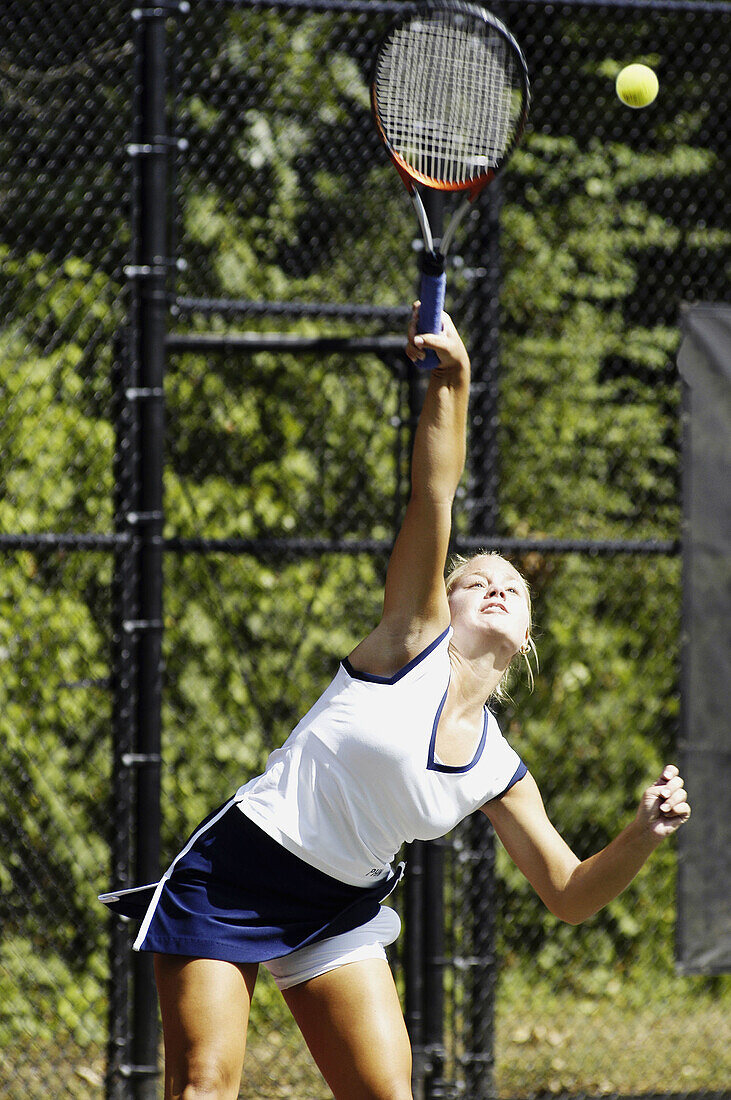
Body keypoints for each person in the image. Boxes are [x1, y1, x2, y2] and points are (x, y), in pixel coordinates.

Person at [101, 306, 691, 1100]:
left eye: (509, 585)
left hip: (338, 908)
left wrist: (644, 832)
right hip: (232, 877)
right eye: (473, 579)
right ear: (441, 603)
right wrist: (454, 383)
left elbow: (569, 894)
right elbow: (432, 498)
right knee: (204, 1087)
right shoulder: (407, 643)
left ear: (525, 635)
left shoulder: (499, 770)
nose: (492, 584)